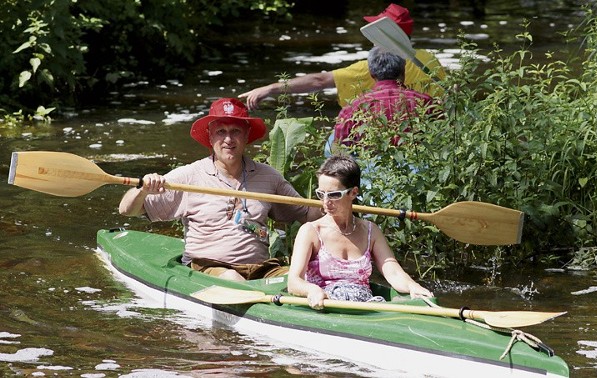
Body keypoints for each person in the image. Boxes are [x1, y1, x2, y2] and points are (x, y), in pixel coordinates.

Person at [118, 98, 322, 281]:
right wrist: (142, 189)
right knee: (232, 278)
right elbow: (127, 210)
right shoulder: (188, 176)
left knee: (304, 277)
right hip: (208, 268)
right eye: (221, 132)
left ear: (247, 134)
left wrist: (331, 199)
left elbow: (307, 214)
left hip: (260, 269)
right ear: (210, 137)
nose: (228, 140)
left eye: (235, 131)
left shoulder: (269, 177)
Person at [287, 155, 433, 310]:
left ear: (353, 193)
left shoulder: (371, 231)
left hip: (365, 307)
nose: (325, 202)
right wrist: (312, 290)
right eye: (321, 194)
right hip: (326, 307)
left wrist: (413, 286)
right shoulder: (310, 231)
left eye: (334, 195)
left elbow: (393, 273)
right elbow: (293, 282)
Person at [239, 3, 446, 110]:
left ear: (382, 34)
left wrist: (270, 88)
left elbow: (319, 80)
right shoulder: (430, 59)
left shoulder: (372, 66)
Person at [329, 46, 436, 153]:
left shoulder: (351, 110)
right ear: (403, 71)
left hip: (370, 167)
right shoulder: (427, 102)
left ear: (371, 74)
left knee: (331, 141)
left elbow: (339, 153)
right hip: (416, 165)